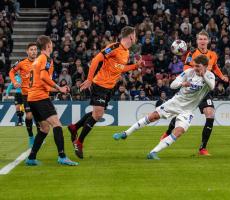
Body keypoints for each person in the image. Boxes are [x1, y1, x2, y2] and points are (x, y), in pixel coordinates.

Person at [113, 55, 215, 160]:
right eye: (195, 66)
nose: (196, 68)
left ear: (206, 66)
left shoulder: (210, 76)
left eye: (198, 66)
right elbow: (172, 85)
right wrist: (182, 83)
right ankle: (125, 133)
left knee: (179, 131)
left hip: (188, 110)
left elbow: (211, 86)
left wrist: (204, 76)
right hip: (176, 102)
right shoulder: (189, 72)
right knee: (153, 116)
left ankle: (153, 152)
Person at [68, 26, 144, 159]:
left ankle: (74, 127)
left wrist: (135, 66)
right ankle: (79, 142)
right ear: (131, 36)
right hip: (99, 84)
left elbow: (119, 68)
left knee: (96, 113)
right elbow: (96, 59)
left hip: (109, 87)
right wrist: (89, 79)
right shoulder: (114, 47)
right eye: (135, 35)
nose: (136, 38)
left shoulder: (126, 52)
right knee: (98, 115)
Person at [160, 30, 228, 156]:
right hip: (191, 89)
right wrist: (192, 76)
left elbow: (215, 67)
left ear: (208, 41)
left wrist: (221, 76)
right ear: (197, 41)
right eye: (200, 39)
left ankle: (203, 148)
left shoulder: (213, 54)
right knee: (181, 112)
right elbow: (186, 68)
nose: (202, 41)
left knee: (210, 114)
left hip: (204, 90)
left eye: (204, 39)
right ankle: (168, 132)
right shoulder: (192, 53)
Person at [25, 35, 78, 166]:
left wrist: (60, 90)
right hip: (40, 98)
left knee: (44, 128)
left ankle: (31, 158)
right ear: (48, 46)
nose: (52, 45)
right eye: (51, 44)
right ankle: (62, 156)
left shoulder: (37, 60)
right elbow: (43, 77)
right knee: (57, 125)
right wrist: (59, 87)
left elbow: (41, 82)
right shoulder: (46, 59)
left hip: (32, 98)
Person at [8, 42, 38, 147]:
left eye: (35, 49)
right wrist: (15, 82)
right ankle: (31, 136)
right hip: (26, 94)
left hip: (38, 93)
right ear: (27, 51)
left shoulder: (41, 62)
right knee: (29, 115)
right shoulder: (21, 63)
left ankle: (39, 137)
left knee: (39, 117)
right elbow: (11, 72)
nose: (34, 51)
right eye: (31, 49)